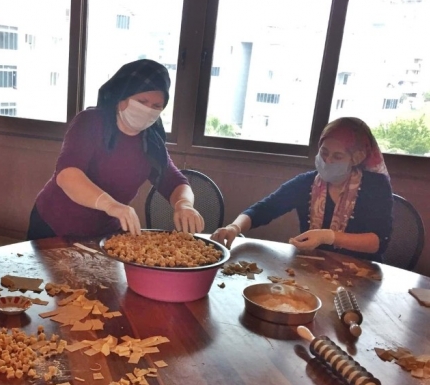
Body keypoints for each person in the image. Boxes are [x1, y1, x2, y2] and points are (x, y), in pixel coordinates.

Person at [27, 59, 204, 239]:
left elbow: (175, 182)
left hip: (105, 232)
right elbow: (67, 176)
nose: (148, 110)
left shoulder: (151, 141)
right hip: (55, 224)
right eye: (142, 101)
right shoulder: (91, 121)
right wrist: (111, 205)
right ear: (121, 98)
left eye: (156, 106)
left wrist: (184, 204)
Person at [211, 117, 393, 262]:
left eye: (337, 156)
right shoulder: (307, 183)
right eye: (324, 152)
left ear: (357, 157)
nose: (328, 161)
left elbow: (378, 242)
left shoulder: (375, 186)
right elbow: (265, 208)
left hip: (362, 273)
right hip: (312, 267)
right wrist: (234, 227)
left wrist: (328, 236)